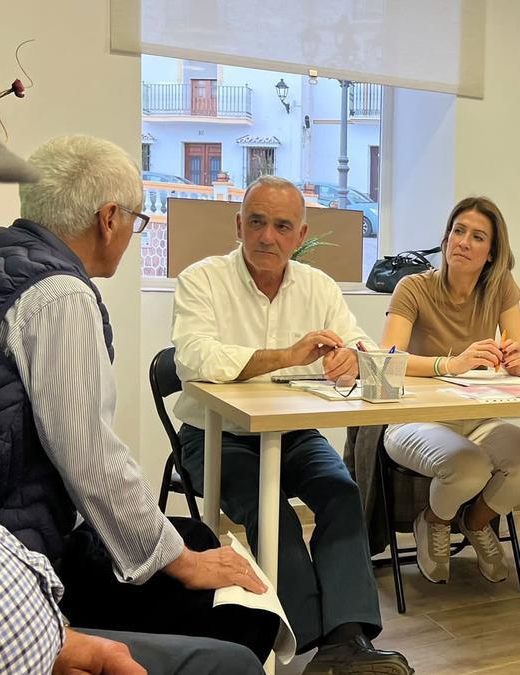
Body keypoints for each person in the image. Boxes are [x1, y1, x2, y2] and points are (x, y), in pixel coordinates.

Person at [0, 37, 263, 674]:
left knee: (194, 540)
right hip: (8, 551)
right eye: (137, 220)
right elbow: (90, 458)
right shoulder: (59, 295)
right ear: (108, 219)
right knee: (228, 599)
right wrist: (179, 561)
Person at [172, 175, 412, 674]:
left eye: (282, 226)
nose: (267, 237)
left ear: (300, 235)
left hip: (294, 435)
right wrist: (288, 355)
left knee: (341, 493)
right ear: (238, 225)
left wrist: (352, 355)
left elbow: (364, 344)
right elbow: (194, 358)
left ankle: (346, 640)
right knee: (270, 508)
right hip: (216, 436)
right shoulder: (203, 279)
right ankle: (307, 642)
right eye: (257, 222)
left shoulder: (318, 287)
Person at [380, 196, 520, 585]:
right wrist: (449, 364)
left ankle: (476, 523)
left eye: (477, 237)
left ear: (491, 253)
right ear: (445, 238)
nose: (463, 242)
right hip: (412, 420)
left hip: (476, 417)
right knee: (468, 464)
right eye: (458, 231)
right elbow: (386, 361)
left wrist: (518, 360)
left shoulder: (501, 287)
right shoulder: (413, 287)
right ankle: (434, 520)